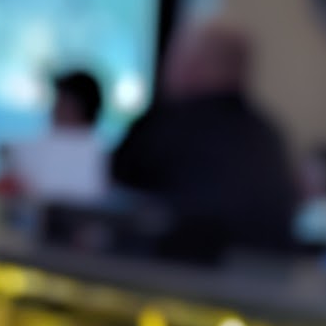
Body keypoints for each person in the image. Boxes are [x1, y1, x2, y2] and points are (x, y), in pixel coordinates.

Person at [111, 18, 297, 262]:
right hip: (258, 281)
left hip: (168, 274)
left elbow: (113, 186)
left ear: (196, 65)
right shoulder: (269, 136)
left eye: (176, 57)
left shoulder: (168, 125)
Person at [9, 69, 108, 205]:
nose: (53, 108)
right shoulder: (101, 150)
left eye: (60, 100)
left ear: (76, 106)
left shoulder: (57, 149)